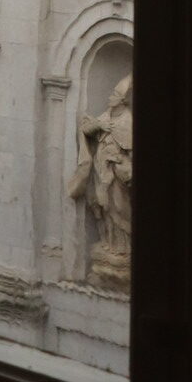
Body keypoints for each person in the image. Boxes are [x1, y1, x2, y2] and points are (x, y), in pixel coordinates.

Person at [68, 74, 132, 290]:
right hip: (100, 171)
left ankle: (123, 248)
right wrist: (97, 126)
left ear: (123, 100)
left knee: (119, 208)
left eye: (114, 94)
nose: (109, 97)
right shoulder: (108, 115)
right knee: (102, 207)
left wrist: (119, 161)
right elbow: (88, 129)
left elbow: (131, 153)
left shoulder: (128, 121)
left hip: (117, 176)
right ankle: (109, 244)